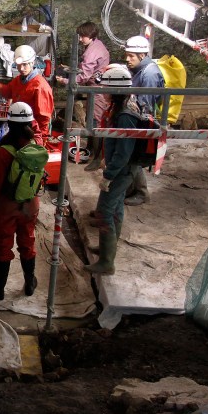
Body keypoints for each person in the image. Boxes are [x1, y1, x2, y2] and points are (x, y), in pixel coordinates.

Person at [0, 102, 43, 300]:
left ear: (9, 123)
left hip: (6, 207)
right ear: (31, 123)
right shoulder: (36, 147)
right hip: (30, 204)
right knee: (28, 241)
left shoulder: (5, 152)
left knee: (4, 244)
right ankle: (29, 283)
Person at [84, 64, 142, 275]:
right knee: (115, 208)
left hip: (122, 171)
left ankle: (107, 262)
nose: (103, 93)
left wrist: (109, 174)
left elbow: (124, 151)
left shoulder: (125, 115)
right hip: (121, 169)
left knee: (104, 212)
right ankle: (108, 248)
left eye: (106, 89)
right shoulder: (120, 109)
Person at [56, 21, 111, 171]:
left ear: (91, 35)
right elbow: (85, 69)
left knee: (95, 123)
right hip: (97, 88)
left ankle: (97, 158)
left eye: (82, 36)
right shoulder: (97, 45)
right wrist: (69, 68)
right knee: (93, 121)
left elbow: (84, 75)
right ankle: (93, 151)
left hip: (98, 90)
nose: (80, 39)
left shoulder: (91, 51)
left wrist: (66, 80)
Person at [123, 36, 165, 206]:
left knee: (135, 158)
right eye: (126, 55)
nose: (127, 59)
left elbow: (145, 106)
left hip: (142, 121)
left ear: (142, 55)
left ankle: (141, 193)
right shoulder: (141, 70)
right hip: (137, 118)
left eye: (131, 56)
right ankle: (133, 190)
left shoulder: (149, 75)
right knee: (132, 158)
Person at [0, 44, 54, 146]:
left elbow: (44, 119)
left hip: (32, 132)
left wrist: (40, 140)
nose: (21, 68)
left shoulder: (40, 86)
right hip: (19, 128)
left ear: (32, 63)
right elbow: (10, 91)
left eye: (25, 64)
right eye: (19, 65)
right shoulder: (19, 80)